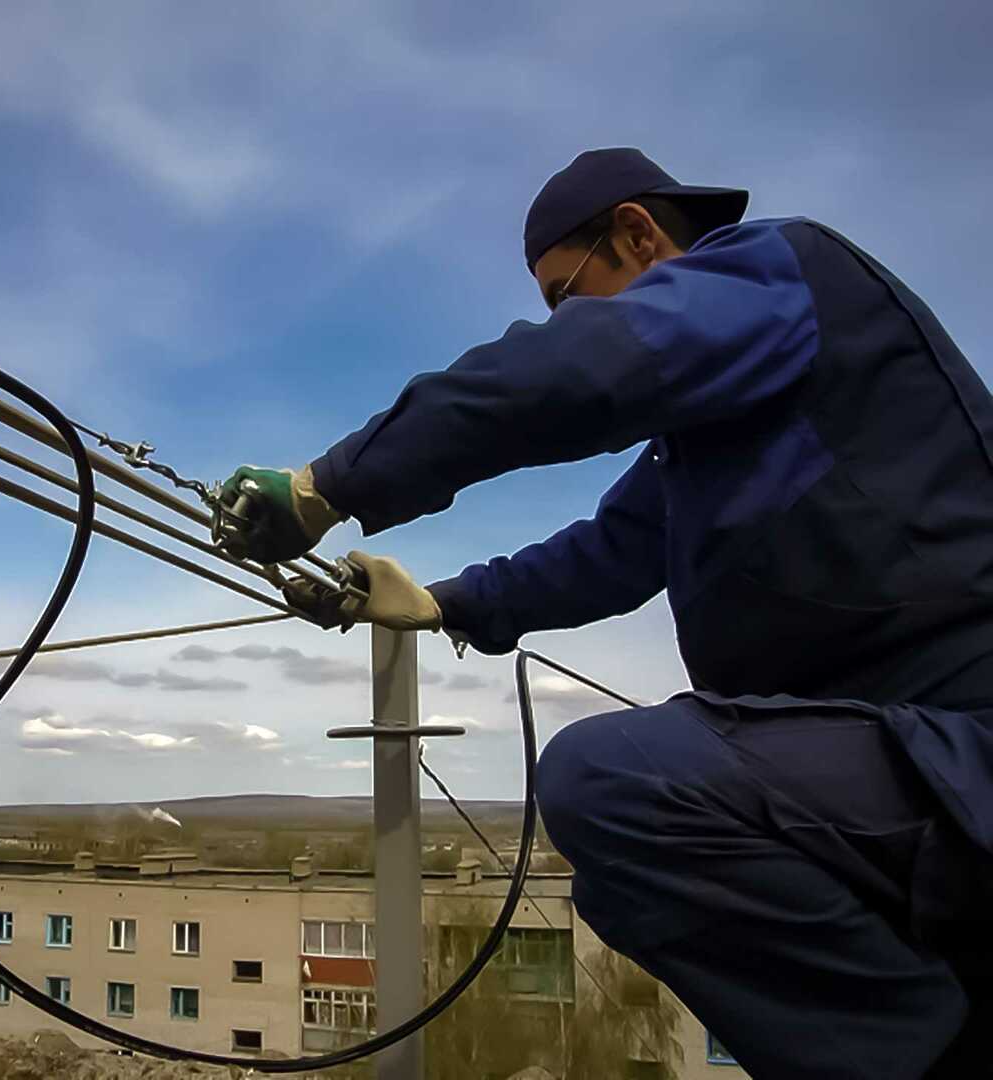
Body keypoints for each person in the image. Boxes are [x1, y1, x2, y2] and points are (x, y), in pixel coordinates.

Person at [219, 148, 993, 1079]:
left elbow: (582, 369)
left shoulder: (782, 270)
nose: (564, 321)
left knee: (615, 781)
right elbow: (608, 552)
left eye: (565, 295)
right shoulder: (708, 444)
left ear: (637, 233)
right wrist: (441, 601)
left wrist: (326, 485)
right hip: (890, 765)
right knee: (618, 878)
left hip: (962, 734)